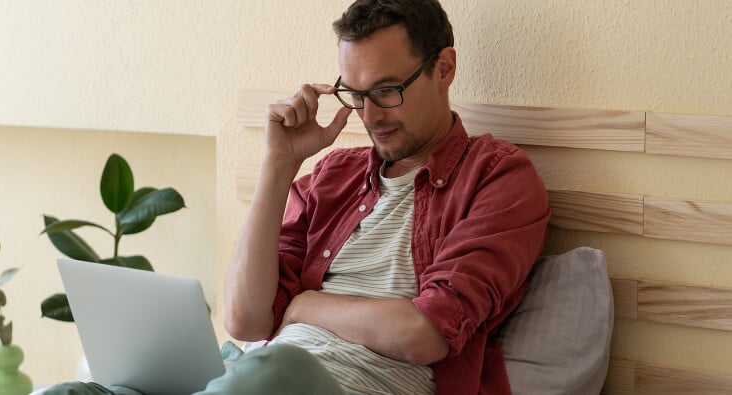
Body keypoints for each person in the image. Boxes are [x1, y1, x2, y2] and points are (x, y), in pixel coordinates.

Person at [40, 0, 549, 394]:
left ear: (444, 68)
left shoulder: (498, 177)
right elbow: (244, 318)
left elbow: (424, 333)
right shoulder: (333, 175)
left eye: (387, 89)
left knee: (275, 366)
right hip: (254, 375)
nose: (369, 117)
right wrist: (279, 164)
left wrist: (305, 305)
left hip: (327, 382)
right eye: (354, 93)